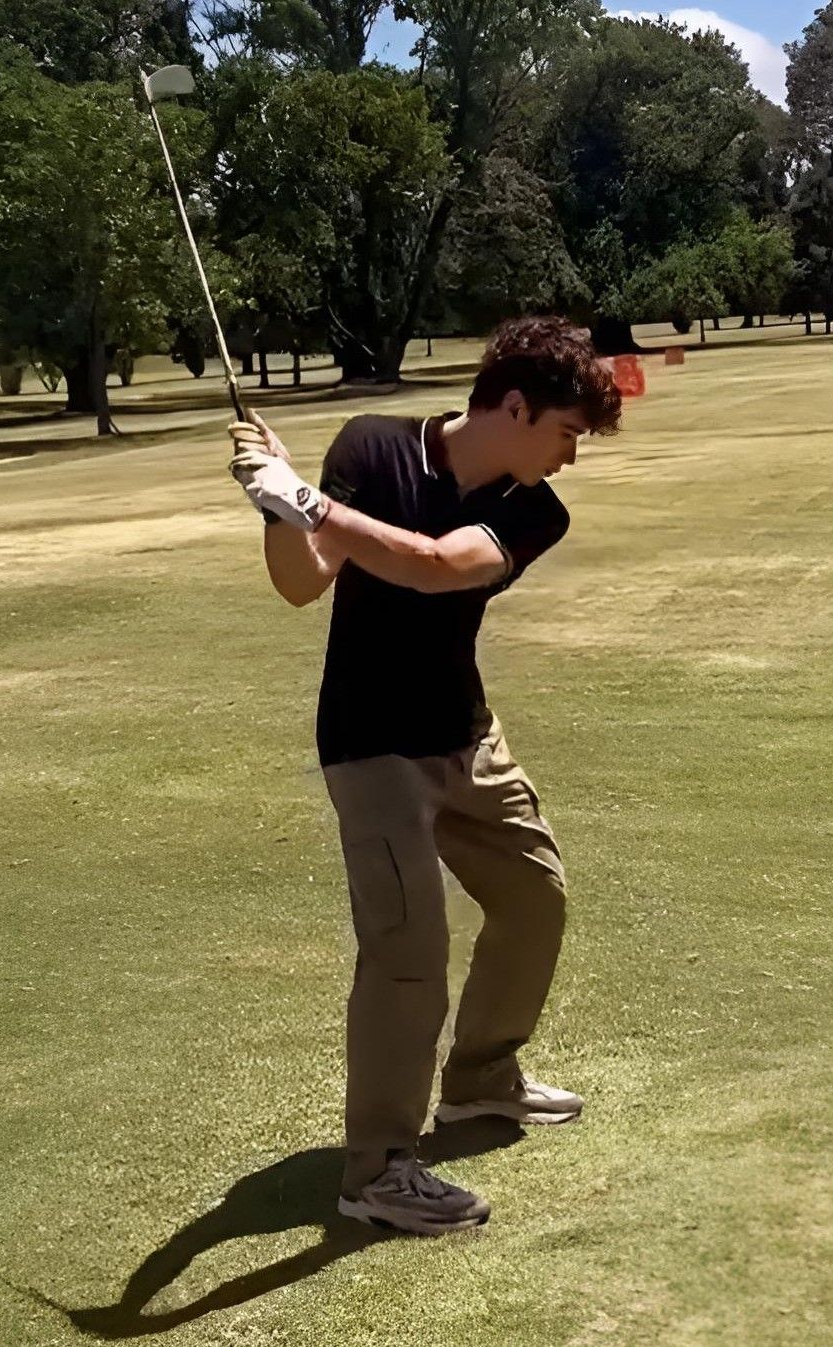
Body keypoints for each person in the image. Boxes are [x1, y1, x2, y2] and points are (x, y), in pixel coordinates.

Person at [225, 317, 623, 1235]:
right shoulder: (373, 445)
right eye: (565, 431)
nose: (570, 456)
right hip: (371, 745)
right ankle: (377, 1168)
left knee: (535, 897)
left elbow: (438, 568)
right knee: (407, 952)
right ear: (514, 406)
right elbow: (302, 580)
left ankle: (482, 1078)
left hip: (465, 734)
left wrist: (309, 501)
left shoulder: (534, 508)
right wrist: (278, 504)